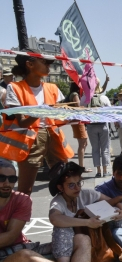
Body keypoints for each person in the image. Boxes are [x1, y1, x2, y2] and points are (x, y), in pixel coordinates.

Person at [0, 159, 122, 262]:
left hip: (24, 248)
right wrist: (88, 222)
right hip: (11, 259)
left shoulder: (21, 199)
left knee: (82, 238)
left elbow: (11, 236)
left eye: (12, 179)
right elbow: (54, 218)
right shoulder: (58, 202)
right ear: (61, 187)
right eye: (1, 178)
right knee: (25, 256)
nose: (7, 183)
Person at [1, 51, 74, 196]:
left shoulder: (52, 88)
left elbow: (58, 119)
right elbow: (22, 122)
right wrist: (40, 111)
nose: (48, 66)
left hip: (54, 136)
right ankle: (19, 218)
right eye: (45, 63)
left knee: (66, 185)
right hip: (31, 141)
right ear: (30, 64)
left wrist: (73, 116)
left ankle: (67, 216)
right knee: (25, 190)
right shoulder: (15, 88)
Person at [85, 82, 112, 178]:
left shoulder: (85, 97)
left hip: (91, 126)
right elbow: (110, 110)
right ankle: (105, 171)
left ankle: (98, 171)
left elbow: (80, 110)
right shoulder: (104, 98)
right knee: (105, 148)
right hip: (103, 125)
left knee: (95, 149)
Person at [67, 81, 92, 172]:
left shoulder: (73, 93)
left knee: (84, 143)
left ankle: (81, 166)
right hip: (78, 121)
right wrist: (88, 109)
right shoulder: (74, 94)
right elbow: (78, 107)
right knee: (82, 143)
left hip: (78, 121)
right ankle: (81, 167)